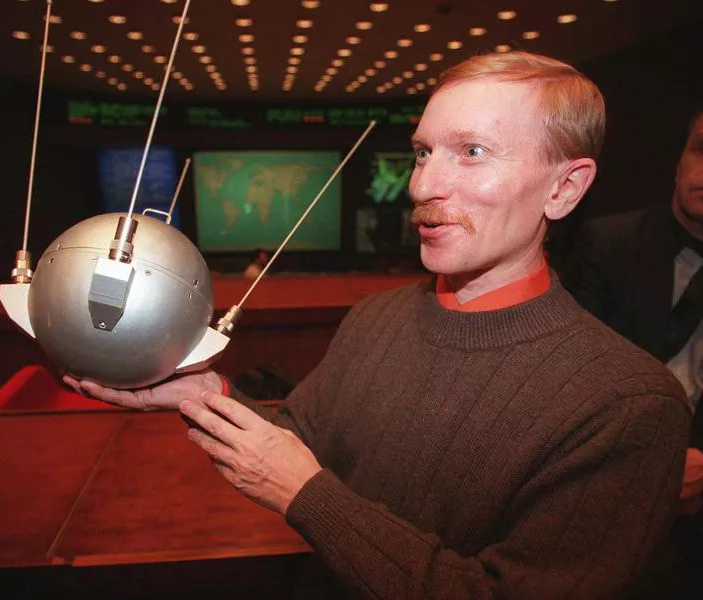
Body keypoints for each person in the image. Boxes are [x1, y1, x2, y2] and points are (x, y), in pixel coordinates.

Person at [66, 52, 691, 599]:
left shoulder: (629, 406)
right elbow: (300, 438)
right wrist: (208, 396)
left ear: (565, 188)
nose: (425, 185)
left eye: (471, 153)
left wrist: (305, 495)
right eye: (423, 152)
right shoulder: (377, 317)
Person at [562, 110, 703, 598]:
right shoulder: (609, 243)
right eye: (701, 149)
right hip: (606, 483)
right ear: (679, 161)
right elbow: (570, 373)